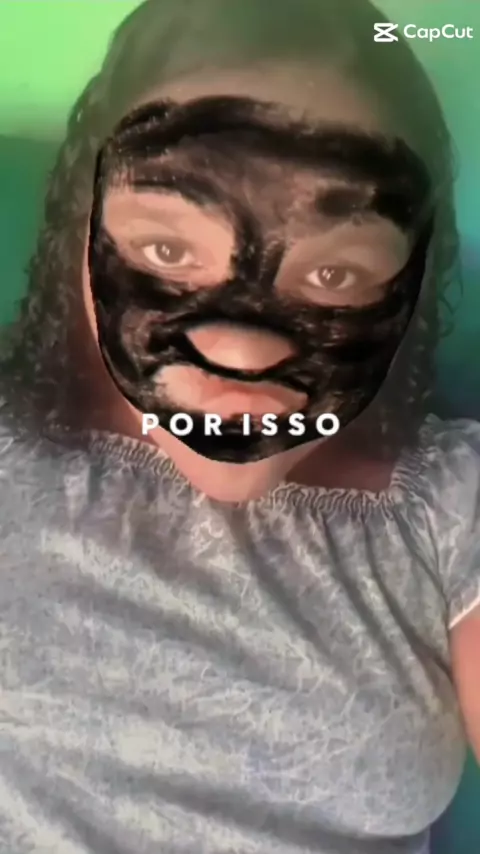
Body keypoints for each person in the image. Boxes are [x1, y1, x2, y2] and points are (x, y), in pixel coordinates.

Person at [0, 0, 479, 852]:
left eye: (334, 273)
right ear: (86, 240)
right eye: (169, 252)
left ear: (409, 287)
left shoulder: (454, 503)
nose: (241, 346)